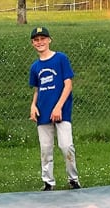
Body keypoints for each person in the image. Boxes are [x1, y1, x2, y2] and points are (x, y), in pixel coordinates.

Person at [28, 25, 80, 191]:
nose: (40, 42)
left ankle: (73, 179)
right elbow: (38, 89)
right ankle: (48, 182)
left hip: (61, 112)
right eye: (36, 40)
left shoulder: (60, 59)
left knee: (66, 146)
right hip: (43, 112)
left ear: (49, 40)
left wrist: (58, 107)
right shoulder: (35, 67)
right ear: (32, 43)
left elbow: (68, 84)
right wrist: (33, 105)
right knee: (45, 149)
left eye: (43, 39)